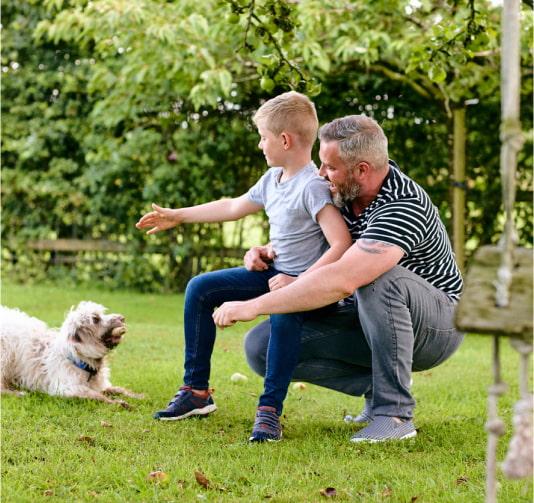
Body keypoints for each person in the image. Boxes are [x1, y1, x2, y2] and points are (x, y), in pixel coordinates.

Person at [213, 114, 464, 443]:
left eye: (329, 167)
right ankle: (378, 387)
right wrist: (269, 250)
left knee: (377, 277)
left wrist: (253, 306)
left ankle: (395, 413)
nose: (320, 174)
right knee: (262, 346)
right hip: (370, 316)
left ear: (362, 169)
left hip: (437, 327)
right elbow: (320, 242)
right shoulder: (347, 192)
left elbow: (345, 278)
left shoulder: (402, 205)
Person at [135, 92, 351, 442]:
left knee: (285, 310)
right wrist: (178, 216)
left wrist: (299, 283)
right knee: (200, 288)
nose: (260, 144)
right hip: (274, 274)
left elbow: (342, 244)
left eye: (263, 137)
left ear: (284, 140)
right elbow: (232, 206)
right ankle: (196, 392)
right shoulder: (273, 180)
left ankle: (269, 411)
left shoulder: (312, 187)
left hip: (310, 286)